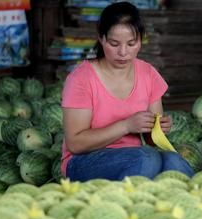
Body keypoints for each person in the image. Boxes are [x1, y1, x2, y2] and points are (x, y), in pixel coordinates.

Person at [61, 1, 194, 182]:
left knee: (173, 161)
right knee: (147, 158)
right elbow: (75, 144)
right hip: (83, 162)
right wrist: (126, 126)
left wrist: (157, 129)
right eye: (114, 44)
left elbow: (151, 141)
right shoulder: (81, 79)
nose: (123, 52)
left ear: (141, 40)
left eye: (131, 43)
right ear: (101, 38)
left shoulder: (148, 74)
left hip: (137, 158)